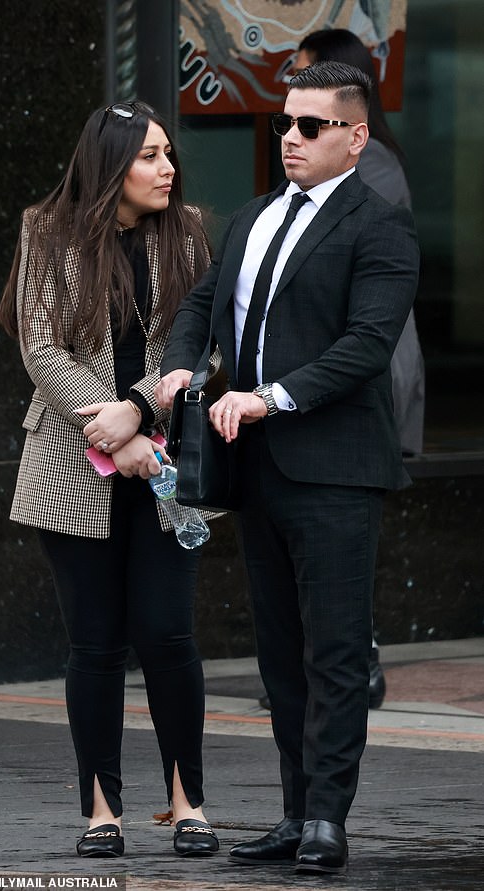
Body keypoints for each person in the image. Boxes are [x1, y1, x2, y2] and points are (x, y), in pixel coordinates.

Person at [155, 62, 419, 875]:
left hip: (336, 471)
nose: (291, 138)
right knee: (279, 653)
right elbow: (203, 303)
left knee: (335, 653)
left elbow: (365, 347)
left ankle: (327, 821)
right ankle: (295, 811)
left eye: (310, 126)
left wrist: (269, 397)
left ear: (355, 135)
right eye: (284, 123)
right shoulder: (256, 215)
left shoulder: (381, 229)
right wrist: (179, 365)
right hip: (257, 469)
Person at [0, 101, 220, 859]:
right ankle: (102, 811)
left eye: (168, 154)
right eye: (150, 156)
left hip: (161, 458)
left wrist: (134, 415)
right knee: (93, 643)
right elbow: (39, 346)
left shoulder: (186, 229)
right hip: (71, 459)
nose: (167, 169)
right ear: (109, 166)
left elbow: (204, 344)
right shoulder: (46, 230)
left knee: (167, 633)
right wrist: (106, 434)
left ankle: (188, 802)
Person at [292, 27, 427, 709]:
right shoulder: (289, 197)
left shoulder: (371, 175)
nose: (291, 130)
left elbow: (352, 309)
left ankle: (357, 659)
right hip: (332, 380)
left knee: (346, 536)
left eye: (305, 77)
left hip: (360, 380)